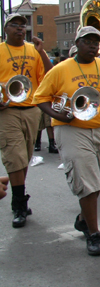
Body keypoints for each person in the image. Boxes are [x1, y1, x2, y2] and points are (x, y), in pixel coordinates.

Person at [33, 26, 100, 255]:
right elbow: (41, 98)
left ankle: (83, 218)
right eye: (87, 41)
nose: (92, 45)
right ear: (77, 43)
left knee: (99, 179)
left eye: (96, 42)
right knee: (86, 182)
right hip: (71, 130)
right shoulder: (61, 69)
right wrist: (58, 115)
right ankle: (94, 233)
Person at [1, 13, 53, 227]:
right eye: (15, 25)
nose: (21, 29)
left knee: (25, 158)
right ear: (6, 29)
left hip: (31, 109)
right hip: (7, 111)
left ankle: (20, 197)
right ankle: (18, 205)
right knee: (14, 157)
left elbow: (51, 76)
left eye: (23, 26)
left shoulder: (34, 50)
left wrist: (42, 53)